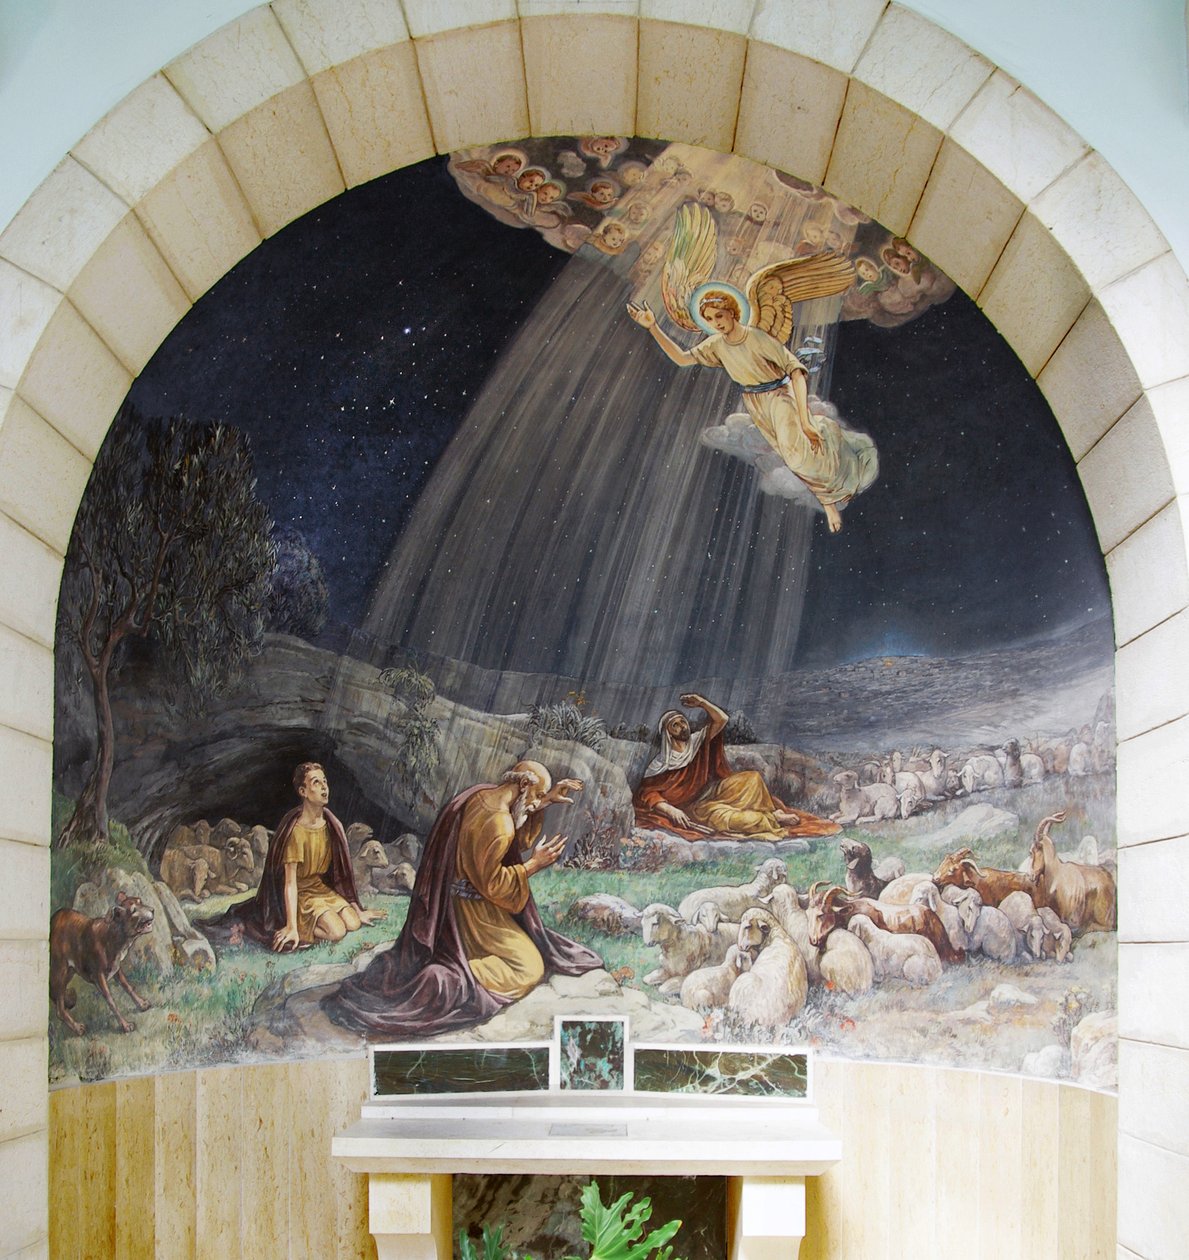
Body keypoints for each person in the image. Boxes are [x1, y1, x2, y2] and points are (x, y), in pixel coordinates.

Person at [323, 761, 603, 1037]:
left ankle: (455, 964)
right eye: (537, 795)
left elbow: (510, 838)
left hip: (454, 905)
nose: (537, 803)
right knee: (530, 968)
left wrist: (543, 801)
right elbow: (493, 884)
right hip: (476, 913)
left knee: (529, 951)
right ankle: (452, 977)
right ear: (523, 784)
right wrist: (533, 865)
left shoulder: (481, 796)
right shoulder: (500, 823)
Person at [627, 289, 877, 532]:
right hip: (756, 404)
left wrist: (804, 419)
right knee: (791, 457)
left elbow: (796, 371)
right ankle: (827, 492)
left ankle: (828, 495)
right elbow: (683, 359)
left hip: (780, 395)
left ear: (732, 312)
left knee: (796, 456)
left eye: (719, 315)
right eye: (710, 319)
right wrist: (653, 327)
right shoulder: (715, 344)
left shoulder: (755, 337)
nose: (716, 323)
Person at [632, 694, 840, 841]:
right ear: (668, 734)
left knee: (752, 779)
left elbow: (722, 719)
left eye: (682, 722)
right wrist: (670, 810)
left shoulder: (697, 741)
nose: (682, 727)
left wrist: (702, 703)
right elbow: (647, 793)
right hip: (693, 807)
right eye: (675, 725)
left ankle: (771, 812)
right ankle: (771, 819)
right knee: (734, 818)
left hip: (710, 791)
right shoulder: (660, 763)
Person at [236, 762, 386, 951]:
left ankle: (320, 920)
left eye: (325, 781)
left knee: (353, 923)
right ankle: (299, 929)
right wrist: (291, 925)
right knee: (337, 932)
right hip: (301, 895)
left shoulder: (331, 824)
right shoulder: (296, 832)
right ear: (303, 791)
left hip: (320, 888)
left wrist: (358, 910)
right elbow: (290, 882)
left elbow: (340, 874)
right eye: (316, 782)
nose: (324, 787)